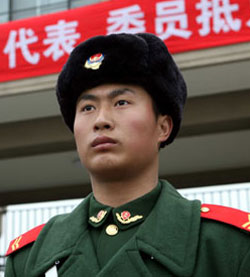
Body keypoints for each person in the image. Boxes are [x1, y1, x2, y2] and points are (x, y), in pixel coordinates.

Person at [5, 33, 250, 277]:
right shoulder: (31, 257)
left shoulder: (227, 246)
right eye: (87, 108)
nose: (101, 120)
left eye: (121, 102)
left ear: (163, 127)